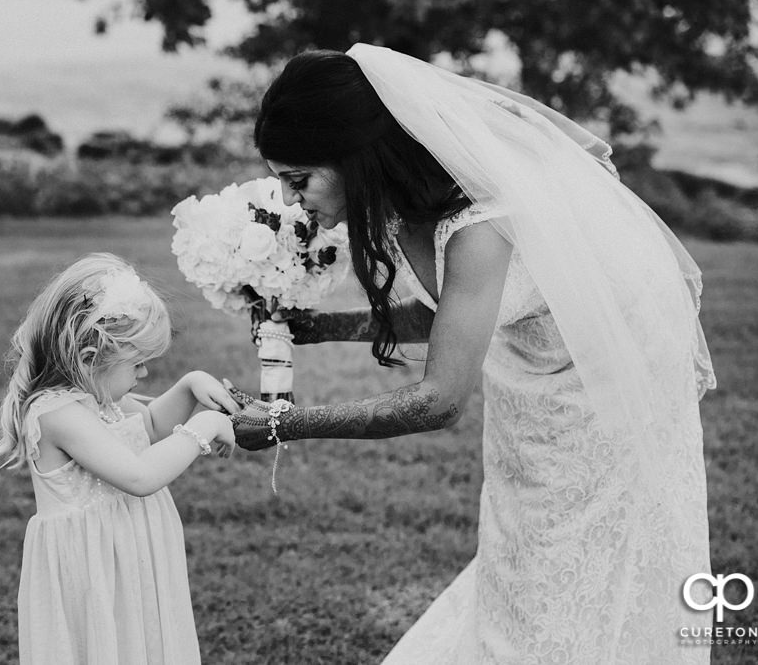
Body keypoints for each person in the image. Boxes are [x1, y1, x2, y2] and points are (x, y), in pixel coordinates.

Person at [227, 44, 716, 663]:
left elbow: (440, 400)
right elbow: (456, 313)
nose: (294, 201)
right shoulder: (415, 206)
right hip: (535, 390)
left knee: (572, 567)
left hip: (603, 406)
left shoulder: (483, 221)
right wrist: (317, 327)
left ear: (357, 156)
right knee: (523, 551)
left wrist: (282, 422)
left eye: (299, 180)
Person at [0, 253, 241, 665]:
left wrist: (191, 386)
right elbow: (140, 477)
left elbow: (153, 426)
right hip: (95, 576)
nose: (143, 376)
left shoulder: (99, 399)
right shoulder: (59, 414)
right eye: (137, 364)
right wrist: (205, 426)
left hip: (128, 563)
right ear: (88, 360)